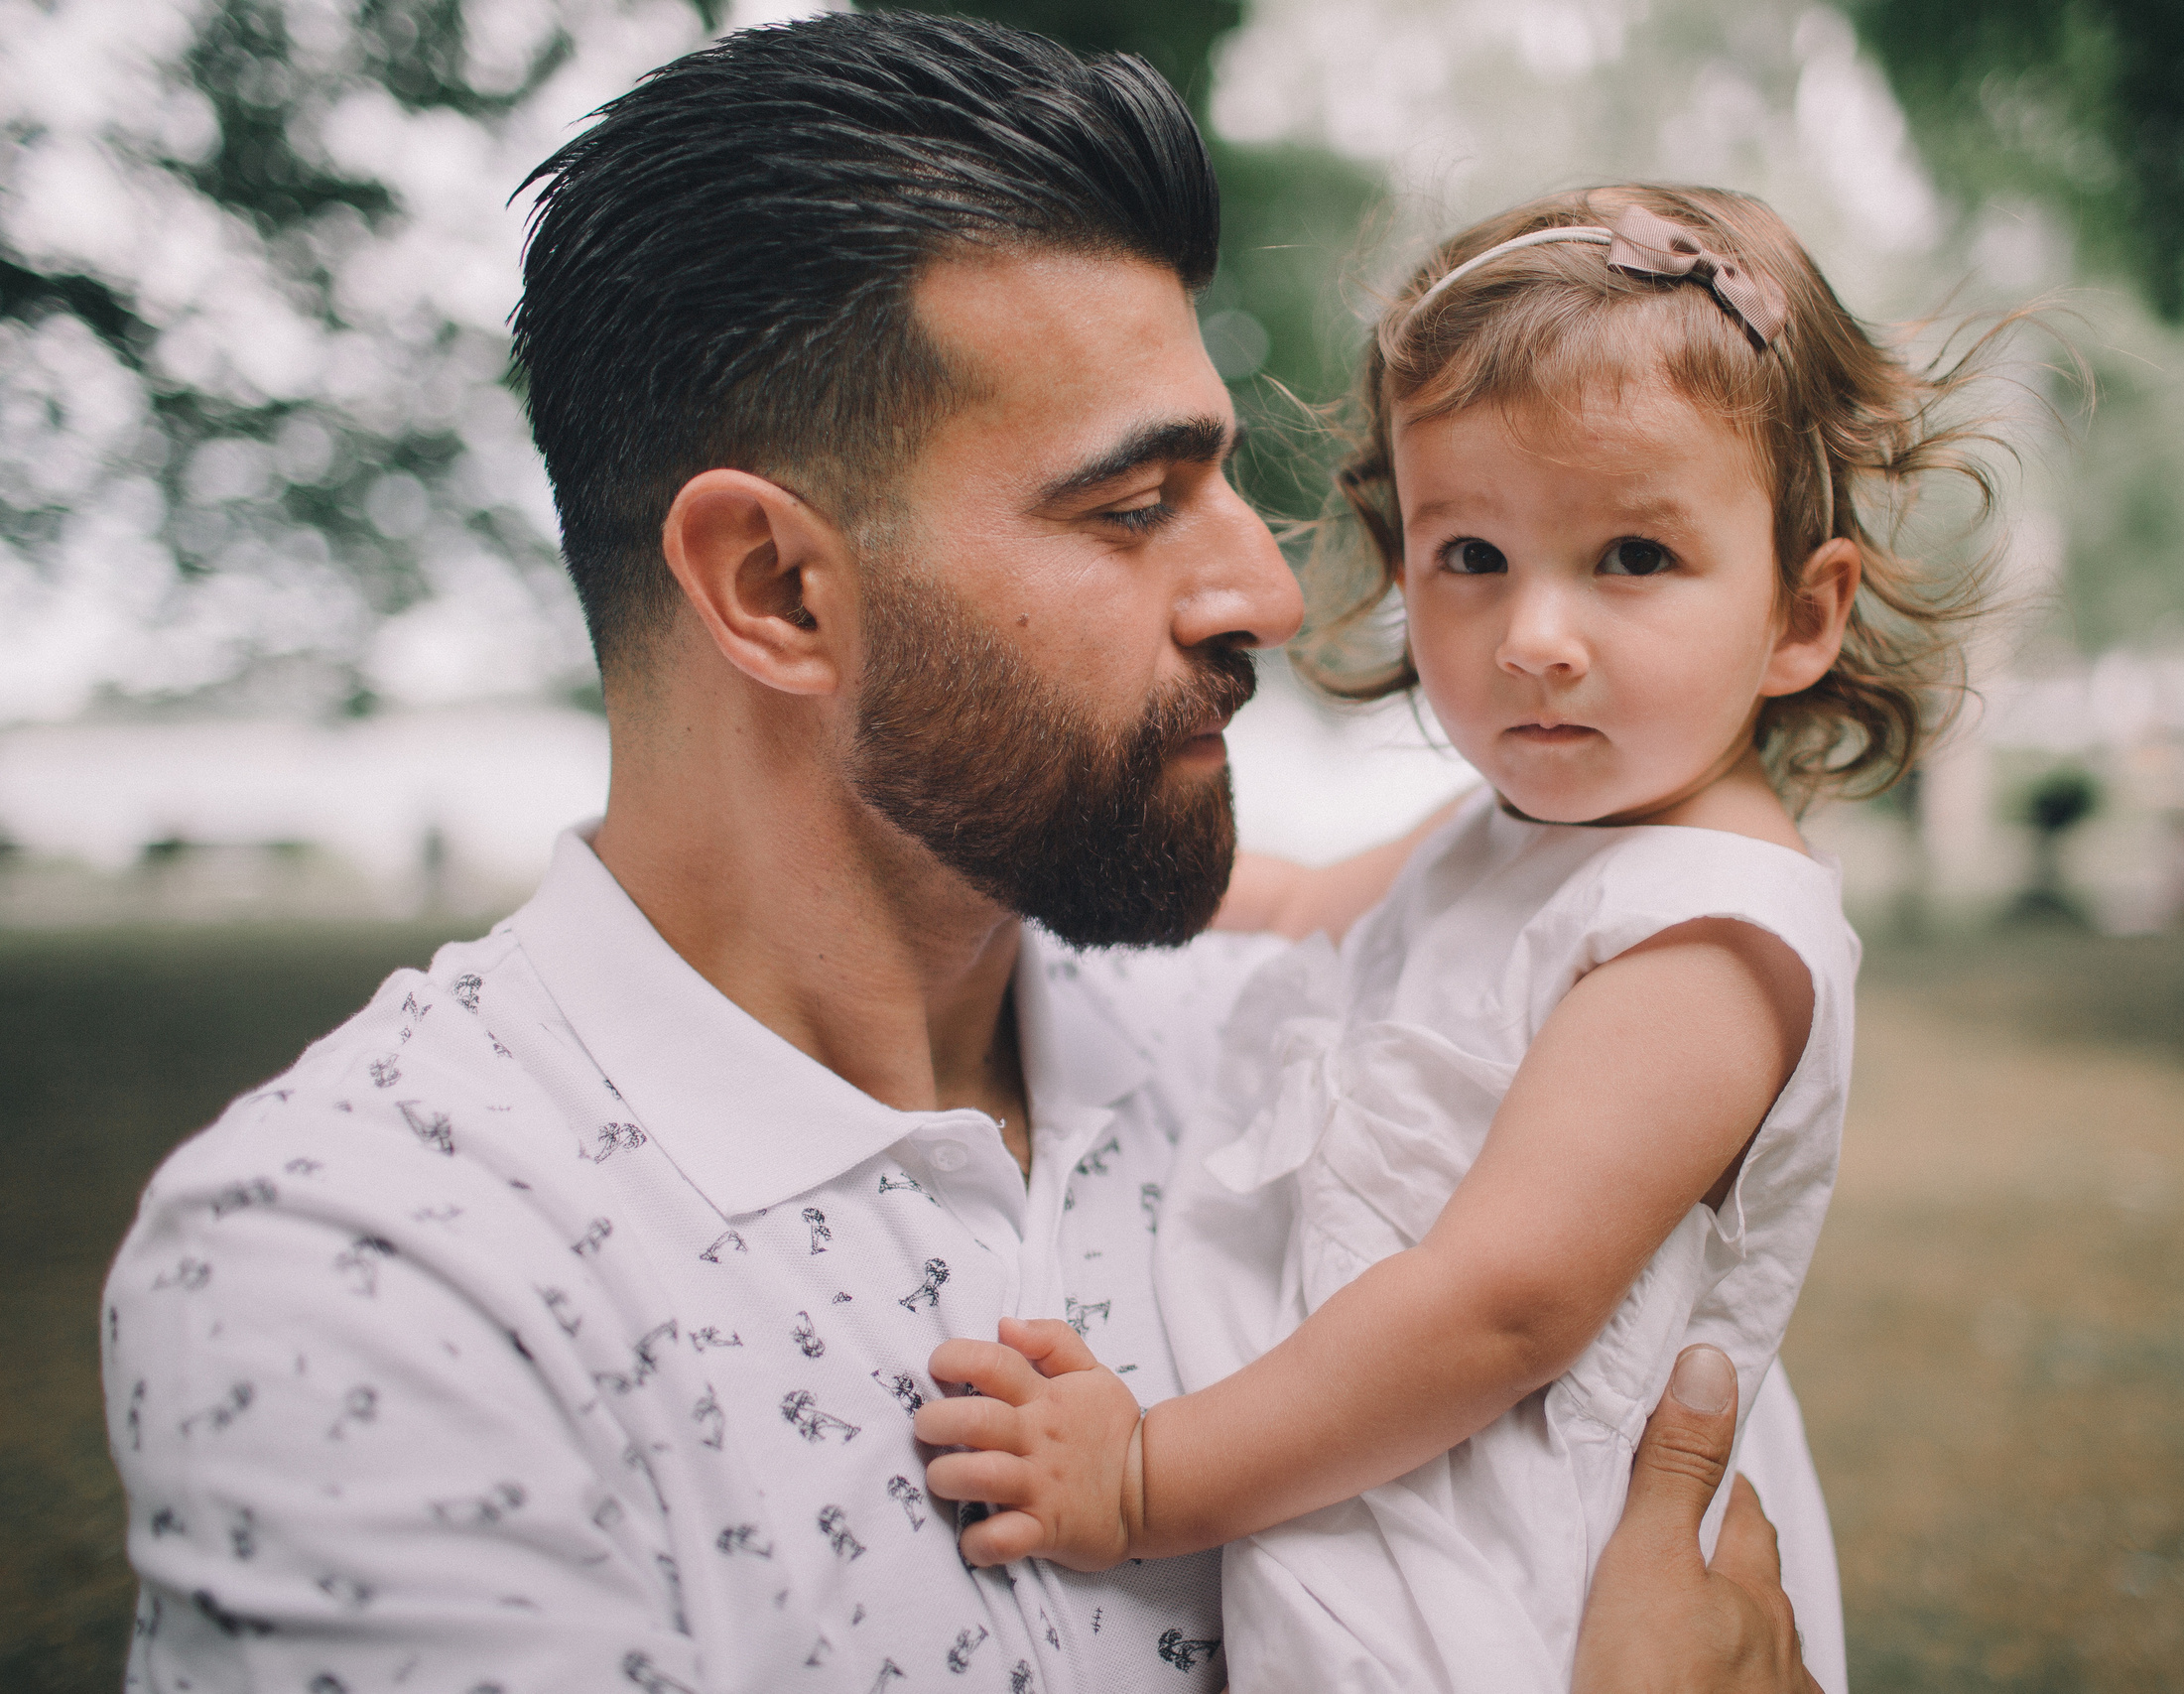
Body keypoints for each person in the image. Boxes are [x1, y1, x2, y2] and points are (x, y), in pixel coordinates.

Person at [98, 16, 1816, 1694]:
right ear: (777, 591)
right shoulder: (371, 1273)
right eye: (1133, 507)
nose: (1273, 597)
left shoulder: (1282, 1059)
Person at [914, 185, 2007, 1692]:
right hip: (1379, 1479)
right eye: (1473, 555)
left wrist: (1149, 1479)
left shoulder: (1707, 933)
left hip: (1511, 1575)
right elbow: (1294, 905)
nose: (1534, 633)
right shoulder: (1514, 832)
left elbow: (1498, 1306)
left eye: (1633, 557)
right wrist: (994, 870)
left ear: (1801, 615)